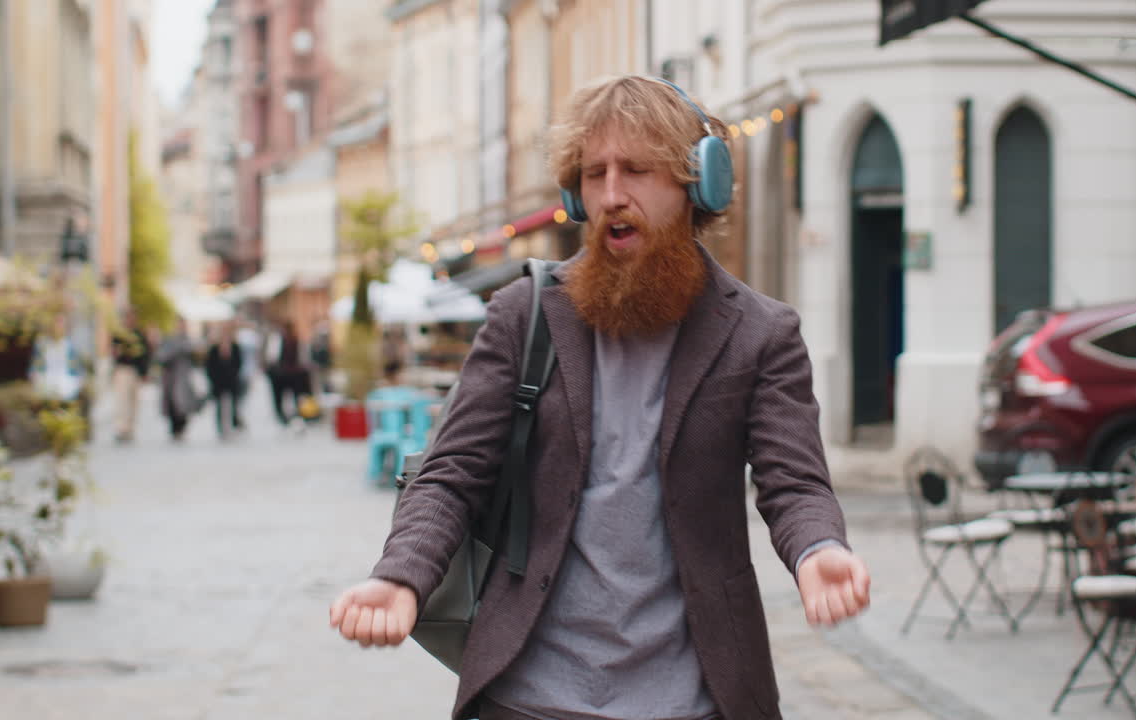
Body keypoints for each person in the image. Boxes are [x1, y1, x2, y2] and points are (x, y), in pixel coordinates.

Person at [329, 76, 870, 720]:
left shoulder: (761, 333)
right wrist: (401, 573)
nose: (612, 195)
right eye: (594, 174)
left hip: (697, 698)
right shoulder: (522, 314)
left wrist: (819, 549)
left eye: (637, 170)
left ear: (699, 184)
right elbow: (452, 474)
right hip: (529, 696)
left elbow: (794, 483)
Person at [109, 308, 150, 444]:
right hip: (123, 370)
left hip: (135, 371)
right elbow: (113, 353)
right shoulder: (119, 335)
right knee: (122, 400)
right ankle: (122, 428)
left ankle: (130, 428)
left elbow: (145, 355)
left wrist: (144, 372)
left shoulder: (139, 335)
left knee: (134, 401)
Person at [155, 317, 197, 441]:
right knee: (173, 402)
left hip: (184, 376)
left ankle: (182, 427)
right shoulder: (169, 339)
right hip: (171, 377)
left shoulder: (188, 340)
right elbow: (161, 356)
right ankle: (174, 428)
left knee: (183, 402)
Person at [264, 320, 309, 427]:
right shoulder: (294, 340)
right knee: (293, 398)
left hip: (286, 374)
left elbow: (272, 357)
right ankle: (292, 417)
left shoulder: (283, 340)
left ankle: (289, 418)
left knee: (285, 398)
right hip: (289, 374)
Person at [204, 323, 243, 439]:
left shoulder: (235, 347)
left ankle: (233, 425)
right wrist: (213, 379)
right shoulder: (214, 349)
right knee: (219, 406)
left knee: (233, 405)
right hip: (218, 383)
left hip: (231, 382)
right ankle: (221, 428)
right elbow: (209, 366)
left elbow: (238, 364)